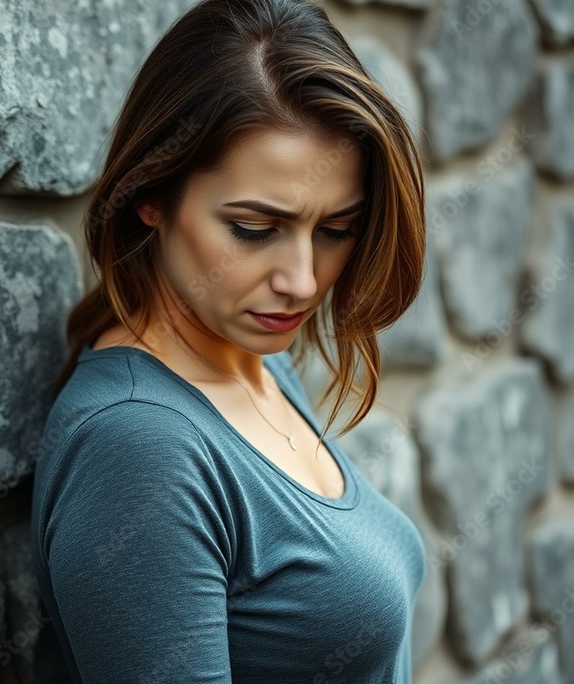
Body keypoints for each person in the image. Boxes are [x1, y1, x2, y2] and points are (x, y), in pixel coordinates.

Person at [30, 0, 427, 682]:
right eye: (253, 228)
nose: (302, 281)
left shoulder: (258, 362)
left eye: (336, 229)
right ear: (149, 196)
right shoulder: (139, 448)